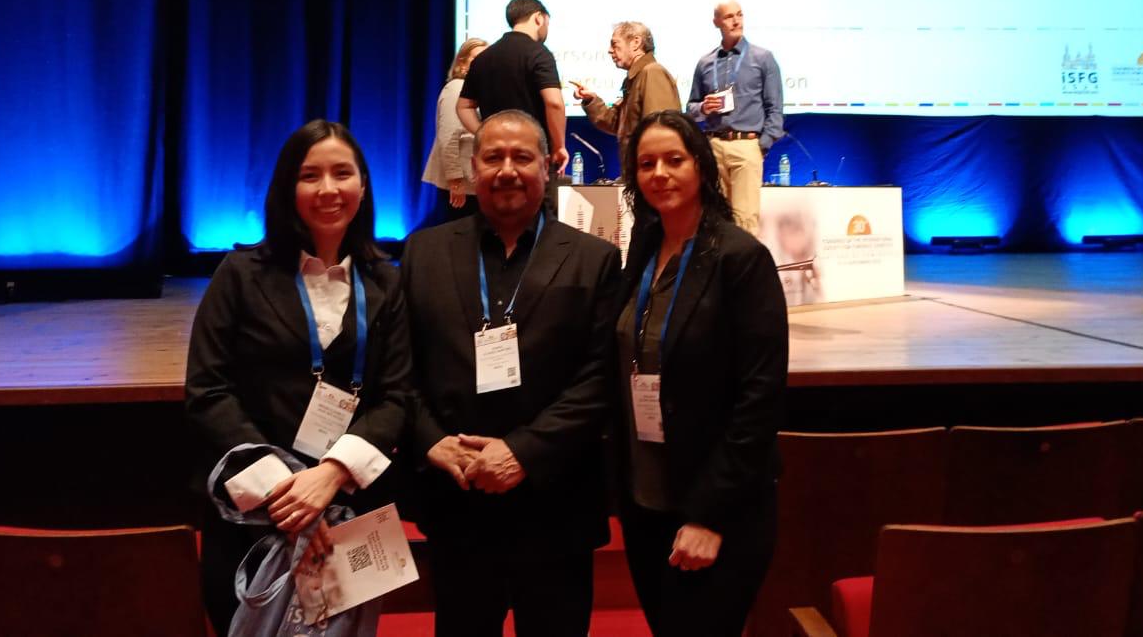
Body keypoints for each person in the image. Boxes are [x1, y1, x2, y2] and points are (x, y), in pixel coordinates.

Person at [402, 109, 623, 637]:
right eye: (493, 157)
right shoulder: (423, 252)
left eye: (522, 157)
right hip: (458, 501)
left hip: (555, 504)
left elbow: (599, 377)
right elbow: (399, 367)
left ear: (547, 166)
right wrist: (431, 440)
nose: (507, 170)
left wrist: (523, 451)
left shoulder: (594, 259)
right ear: (473, 168)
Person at [185, 120, 411, 636]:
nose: (328, 189)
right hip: (255, 514)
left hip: (350, 509)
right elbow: (208, 391)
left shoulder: (387, 282)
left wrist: (330, 476)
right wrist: (287, 494)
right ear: (288, 187)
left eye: (342, 173)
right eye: (311, 175)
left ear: (363, 186)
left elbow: (397, 396)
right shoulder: (240, 274)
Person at [614, 110, 788, 637]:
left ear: (701, 167)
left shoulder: (741, 258)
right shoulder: (645, 248)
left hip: (716, 511)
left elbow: (760, 398)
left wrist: (710, 515)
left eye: (674, 160)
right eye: (646, 164)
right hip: (646, 502)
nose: (660, 174)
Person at [686, 0, 784, 235]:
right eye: (729, 16)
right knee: (714, 220)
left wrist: (761, 145)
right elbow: (690, 108)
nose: (736, 21)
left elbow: (775, 108)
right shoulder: (705, 62)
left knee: (744, 222)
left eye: (739, 15)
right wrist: (703, 108)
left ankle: (744, 262)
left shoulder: (763, 58)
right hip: (713, 146)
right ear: (716, 22)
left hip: (746, 145)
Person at [457, 0, 568, 172]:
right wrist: (559, 145)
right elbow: (554, 103)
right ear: (539, 18)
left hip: (494, 155)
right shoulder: (539, 54)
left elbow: (463, 106)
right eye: (547, 23)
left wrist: (484, 133)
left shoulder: (483, 58)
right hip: (530, 154)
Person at [571, 20, 682, 171]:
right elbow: (618, 125)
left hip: (651, 173)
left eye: (614, 44)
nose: (610, 50)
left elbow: (660, 132)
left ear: (636, 43)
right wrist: (591, 100)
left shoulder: (652, 73)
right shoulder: (634, 79)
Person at [422, 37, 488, 214]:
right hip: (461, 185)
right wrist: (455, 181)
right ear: (462, 62)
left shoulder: (476, 90)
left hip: (473, 182)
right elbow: (448, 136)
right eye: (477, 59)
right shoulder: (457, 89)